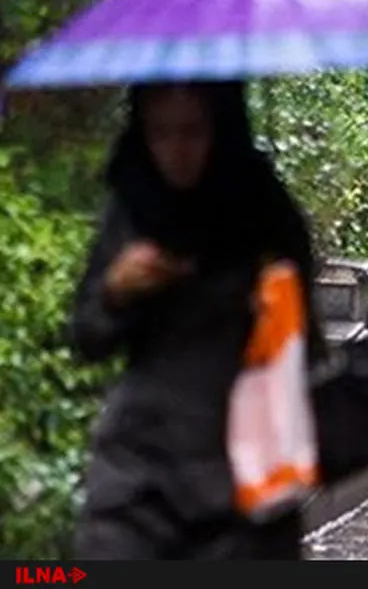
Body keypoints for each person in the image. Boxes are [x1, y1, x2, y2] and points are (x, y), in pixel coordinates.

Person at [69, 81, 327, 559]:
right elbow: (88, 337)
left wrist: (263, 300)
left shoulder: (265, 216)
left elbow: (306, 350)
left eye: (192, 132)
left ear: (221, 130)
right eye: (160, 133)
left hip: (243, 476)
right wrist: (117, 290)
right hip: (139, 472)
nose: (176, 151)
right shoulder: (134, 207)